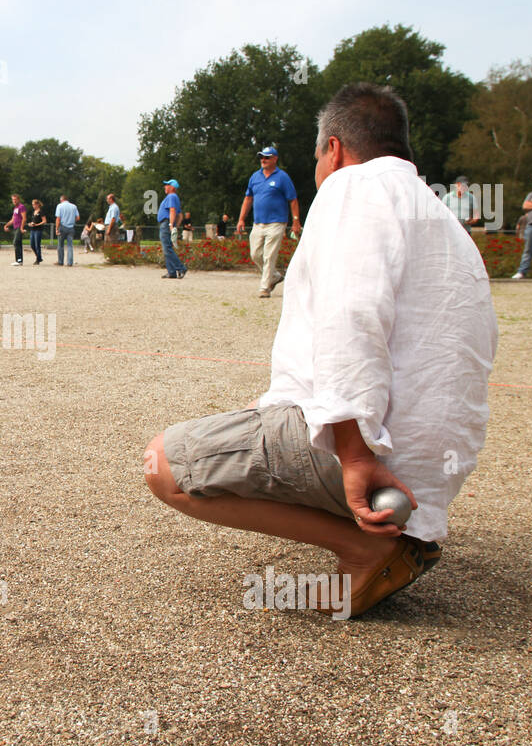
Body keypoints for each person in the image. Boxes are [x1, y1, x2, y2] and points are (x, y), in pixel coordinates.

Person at [144, 82, 497, 619]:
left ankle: (368, 547)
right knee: (257, 419)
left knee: (165, 465)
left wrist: (355, 455)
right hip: (431, 468)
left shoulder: (352, 188)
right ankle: (388, 531)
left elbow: (352, 319)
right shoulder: (440, 214)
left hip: (380, 459)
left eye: (316, 156)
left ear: (333, 148)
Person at [237, 146, 300, 298]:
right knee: (255, 254)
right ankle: (275, 276)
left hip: (277, 222)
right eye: (261, 157)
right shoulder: (255, 177)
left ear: (275, 159)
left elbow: (292, 200)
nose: (263, 160)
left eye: (267, 157)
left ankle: (265, 288)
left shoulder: (282, 177)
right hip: (258, 222)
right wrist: (241, 219)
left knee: (269, 255)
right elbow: (248, 199)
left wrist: (296, 221)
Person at [156, 179, 186, 279]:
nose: (165, 187)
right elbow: (180, 215)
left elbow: (172, 211)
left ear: (172, 187)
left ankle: (181, 268)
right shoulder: (175, 197)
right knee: (167, 248)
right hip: (168, 223)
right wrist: (176, 226)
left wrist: (170, 225)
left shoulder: (171, 196)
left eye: (167, 185)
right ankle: (171, 271)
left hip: (166, 223)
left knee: (167, 248)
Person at [54, 195, 79, 266]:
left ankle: (60, 261)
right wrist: (72, 221)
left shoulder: (59, 206)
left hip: (62, 227)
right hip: (71, 227)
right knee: (70, 246)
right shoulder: (74, 206)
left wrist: (56, 229)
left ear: (61, 200)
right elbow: (78, 218)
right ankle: (70, 262)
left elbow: (58, 218)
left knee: (60, 245)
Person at [5, 193, 27, 266]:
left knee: (16, 242)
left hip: (19, 227)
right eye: (13, 199)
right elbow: (12, 220)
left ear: (18, 199)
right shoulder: (15, 208)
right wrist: (6, 225)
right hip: (15, 227)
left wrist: (21, 228)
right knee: (18, 243)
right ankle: (19, 261)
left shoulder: (21, 207)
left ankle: (19, 260)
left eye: (15, 199)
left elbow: (24, 218)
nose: (14, 201)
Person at [28, 198, 46, 263]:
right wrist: (30, 224)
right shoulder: (33, 212)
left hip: (38, 230)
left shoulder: (41, 212)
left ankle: (38, 259)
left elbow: (44, 221)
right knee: (32, 245)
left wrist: (37, 224)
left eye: (34, 204)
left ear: (38, 204)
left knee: (37, 245)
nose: (33, 206)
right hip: (32, 230)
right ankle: (39, 257)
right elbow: (33, 221)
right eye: (32, 205)